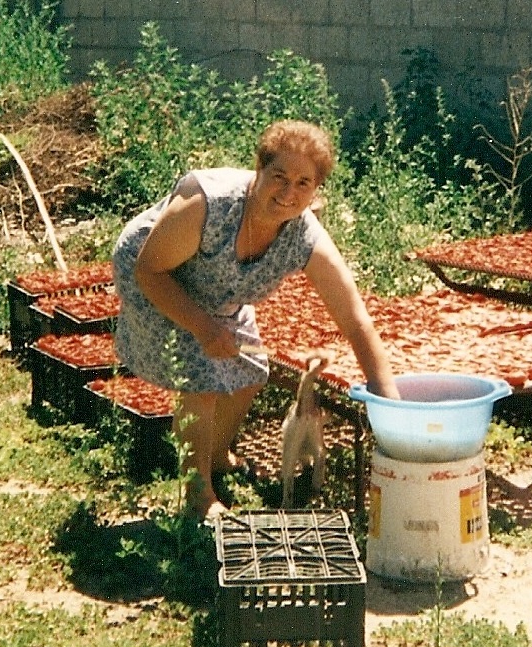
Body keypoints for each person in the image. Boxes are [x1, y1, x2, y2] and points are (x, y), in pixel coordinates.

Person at [112, 119, 400, 520]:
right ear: (259, 170)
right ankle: (198, 495)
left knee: (250, 372)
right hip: (157, 274)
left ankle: (214, 456)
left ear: (316, 190)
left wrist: (394, 409)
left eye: (304, 183)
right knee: (199, 376)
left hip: (218, 292)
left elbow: (355, 320)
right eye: (279, 176)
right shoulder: (209, 203)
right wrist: (204, 327)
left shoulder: (304, 236)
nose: (288, 193)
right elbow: (149, 271)